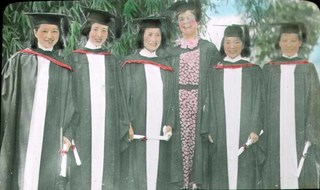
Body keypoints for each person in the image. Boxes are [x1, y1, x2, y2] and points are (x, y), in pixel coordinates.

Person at [0, 12, 73, 190]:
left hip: (50, 133)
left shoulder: (63, 68)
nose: (49, 36)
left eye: (54, 32)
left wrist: (67, 133)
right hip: (22, 132)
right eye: (44, 31)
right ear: (35, 32)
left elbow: (71, 105)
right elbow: (6, 98)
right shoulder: (19, 60)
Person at [164, 1, 222, 189]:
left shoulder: (208, 48)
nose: (186, 22)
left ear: (197, 21)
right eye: (181, 19)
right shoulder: (171, 50)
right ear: (177, 24)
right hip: (178, 102)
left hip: (201, 104)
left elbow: (217, 83)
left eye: (189, 17)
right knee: (179, 146)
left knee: (199, 146)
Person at [201, 25, 266, 189]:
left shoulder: (253, 71)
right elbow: (207, 102)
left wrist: (255, 128)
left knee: (244, 174)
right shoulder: (214, 71)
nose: (232, 47)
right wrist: (208, 128)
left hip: (245, 132)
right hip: (220, 131)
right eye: (227, 42)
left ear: (243, 45)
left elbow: (259, 102)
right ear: (223, 44)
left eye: (236, 42)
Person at [67, 7, 124, 190]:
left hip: (107, 125)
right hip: (83, 124)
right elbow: (69, 96)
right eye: (96, 29)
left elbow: (120, 97)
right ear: (88, 30)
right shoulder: (74, 58)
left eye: (104, 30)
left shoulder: (113, 61)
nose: (99, 35)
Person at [262, 23, 320, 189]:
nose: (288, 44)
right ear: (279, 43)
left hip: (300, 132)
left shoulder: (308, 68)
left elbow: (315, 104)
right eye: (285, 40)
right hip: (275, 131)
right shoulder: (269, 69)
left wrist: (311, 133)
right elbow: (262, 104)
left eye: (293, 41)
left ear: (299, 43)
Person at [120, 15, 175, 190]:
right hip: (137, 130)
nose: (153, 39)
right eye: (150, 34)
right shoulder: (130, 64)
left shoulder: (165, 66)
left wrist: (170, 123)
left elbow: (171, 98)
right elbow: (122, 98)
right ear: (142, 36)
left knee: (157, 173)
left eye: (157, 35)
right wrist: (126, 123)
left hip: (159, 131)